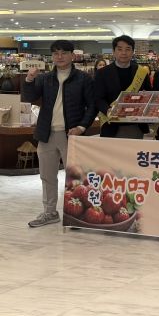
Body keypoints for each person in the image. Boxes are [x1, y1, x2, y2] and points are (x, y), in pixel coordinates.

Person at [22, 40, 96, 227]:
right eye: (55, 53)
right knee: (47, 176)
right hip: (46, 134)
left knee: (76, 177)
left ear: (73, 55)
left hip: (71, 134)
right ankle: (50, 212)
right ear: (52, 57)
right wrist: (29, 79)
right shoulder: (45, 78)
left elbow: (92, 106)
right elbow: (29, 97)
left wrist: (82, 127)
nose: (59, 57)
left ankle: (79, 215)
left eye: (63, 53)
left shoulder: (83, 79)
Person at [94, 35, 151, 138]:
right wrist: (107, 110)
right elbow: (98, 98)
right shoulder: (102, 73)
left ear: (133, 52)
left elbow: (149, 94)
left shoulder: (141, 72)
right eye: (120, 49)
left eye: (128, 49)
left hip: (135, 124)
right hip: (111, 124)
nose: (124, 53)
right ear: (114, 51)